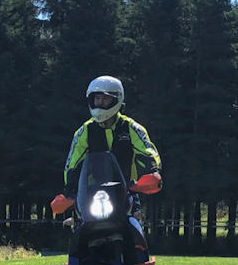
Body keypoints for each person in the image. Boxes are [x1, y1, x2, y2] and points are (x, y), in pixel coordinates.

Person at [57, 75, 161, 217]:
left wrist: (153, 172)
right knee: (79, 226)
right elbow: (72, 164)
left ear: (117, 99)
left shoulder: (131, 127)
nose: (100, 103)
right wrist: (69, 191)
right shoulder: (84, 131)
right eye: (97, 98)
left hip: (127, 192)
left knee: (135, 224)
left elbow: (148, 152)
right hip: (91, 196)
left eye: (105, 99)